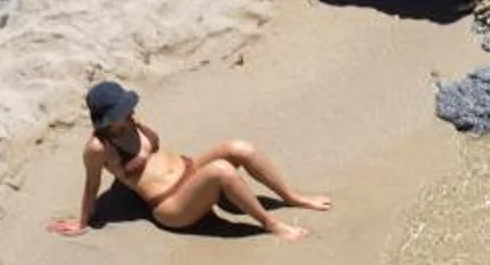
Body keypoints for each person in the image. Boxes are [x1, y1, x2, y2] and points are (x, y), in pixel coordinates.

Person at [49, 80, 330, 241]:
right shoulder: (98, 148)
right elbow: (91, 185)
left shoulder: (132, 120)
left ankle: (293, 197)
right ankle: (271, 225)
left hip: (190, 171)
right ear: (108, 118)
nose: (131, 109)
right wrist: (82, 221)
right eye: (123, 108)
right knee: (221, 170)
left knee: (239, 147)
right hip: (173, 205)